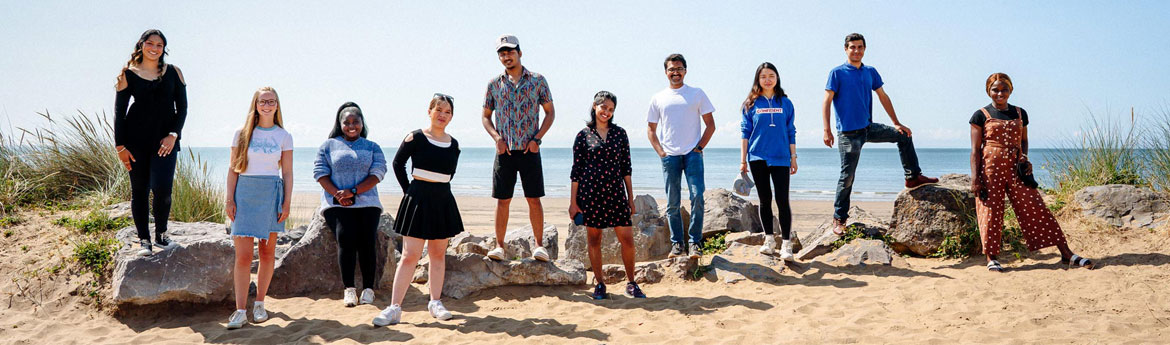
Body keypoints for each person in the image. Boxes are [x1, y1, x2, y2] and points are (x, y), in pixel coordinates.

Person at [969, 73, 1095, 272]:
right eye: (995, 90)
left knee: (1036, 207)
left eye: (1004, 89)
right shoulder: (980, 115)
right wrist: (976, 179)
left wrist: (1025, 157)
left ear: (1011, 90)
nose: (1000, 93)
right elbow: (975, 149)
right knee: (991, 211)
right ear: (988, 91)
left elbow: (1024, 140)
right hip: (990, 168)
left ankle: (1066, 253)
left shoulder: (1020, 113)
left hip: (1016, 168)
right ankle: (991, 257)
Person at [822, 33, 938, 235]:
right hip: (848, 134)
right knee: (847, 176)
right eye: (852, 47)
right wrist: (827, 130)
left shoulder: (870, 72)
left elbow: (883, 96)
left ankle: (913, 176)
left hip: (868, 128)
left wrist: (896, 123)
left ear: (864, 49)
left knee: (903, 136)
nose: (856, 50)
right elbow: (826, 101)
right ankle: (839, 218)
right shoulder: (837, 73)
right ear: (846, 49)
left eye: (860, 47)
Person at [374, 93, 463, 326]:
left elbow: (449, 174)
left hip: (443, 199)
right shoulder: (415, 137)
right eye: (439, 110)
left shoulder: (454, 144)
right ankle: (394, 308)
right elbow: (397, 164)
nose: (442, 115)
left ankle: (435, 302)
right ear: (430, 111)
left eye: (447, 112)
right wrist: (409, 191)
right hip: (417, 198)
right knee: (410, 255)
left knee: (438, 254)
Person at [481, 34, 556, 262]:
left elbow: (550, 112)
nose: (506, 56)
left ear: (519, 53)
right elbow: (485, 116)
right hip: (504, 151)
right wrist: (497, 138)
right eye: (502, 53)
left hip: (529, 150)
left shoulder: (537, 80)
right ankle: (499, 246)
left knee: (534, 198)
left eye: (510, 52)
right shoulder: (494, 84)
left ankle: (540, 246)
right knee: (502, 200)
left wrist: (538, 139)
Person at [223, 87, 293, 329]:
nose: (267, 105)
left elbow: (287, 172)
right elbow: (233, 170)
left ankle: (260, 303)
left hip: (271, 194)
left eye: (271, 101)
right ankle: (240, 310)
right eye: (263, 101)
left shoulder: (284, 136)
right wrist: (229, 199)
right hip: (244, 194)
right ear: (255, 104)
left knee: (266, 253)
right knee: (243, 256)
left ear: (277, 105)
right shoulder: (241, 134)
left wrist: (287, 202)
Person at [114, 29, 187, 256]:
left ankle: (162, 235)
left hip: (166, 141)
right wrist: (120, 147)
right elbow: (119, 112)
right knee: (140, 190)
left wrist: (174, 134)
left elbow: (182, 108)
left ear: (164, 48)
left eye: (159, 45)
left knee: (163, 189)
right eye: (150, 43)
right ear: (141, 45)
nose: (154, 48)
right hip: (135, 142)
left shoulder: (174, 72)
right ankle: (144, 239)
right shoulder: (128, 74)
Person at [569, 91, 647, 300]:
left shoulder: (620, 134)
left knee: (627, 239)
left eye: (611, 109)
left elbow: (626, 169)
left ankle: (631, 283)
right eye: (603, 107)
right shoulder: (583, 135)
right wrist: (573, 202)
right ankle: (600, 284)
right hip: (590, 194)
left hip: (616, 194)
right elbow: (576, 171)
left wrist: (630, 198)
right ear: (594, 106)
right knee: (594, 239)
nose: (606, 112)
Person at [313, 102, 387, 307]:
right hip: (336, 204)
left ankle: (369, 289)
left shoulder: (372, 147)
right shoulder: (328, 146)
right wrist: (337, 194)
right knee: (345, 237)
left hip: (367, 202)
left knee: (367, 241)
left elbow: (378, 173)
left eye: (356, 121)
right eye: (347, 122)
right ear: (340, 124)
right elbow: (320, 173)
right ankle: (349, 289)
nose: (352, 126)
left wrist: (353, 191)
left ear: (362, 123)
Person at [647, 53, 715, 259]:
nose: (675, 73)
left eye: (679, 69)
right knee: (672, 202)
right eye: (671, 69)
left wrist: (700, 147)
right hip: (670, 156)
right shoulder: (658, 98)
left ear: (685, 70)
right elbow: (651, 129)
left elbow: (710, 125)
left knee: (698, 197)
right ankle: (678, 245)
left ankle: (695, 243)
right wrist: (661, 152)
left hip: (693, 154)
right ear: (666, 72)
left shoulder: (697, 94)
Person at [739, 62, 797, 260]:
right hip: (757, 157)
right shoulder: (750, 103)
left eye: (771, 75)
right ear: (758, 80)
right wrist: (743, 161)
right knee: (765, 200)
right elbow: (745, 133)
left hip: (781, 157)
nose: (768, 79)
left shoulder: (786, 103)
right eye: (763, 76)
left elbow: (791, 131)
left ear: (777, 78)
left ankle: (787, 245)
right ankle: (769, 240)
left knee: (782, 200)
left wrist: (794, 157)